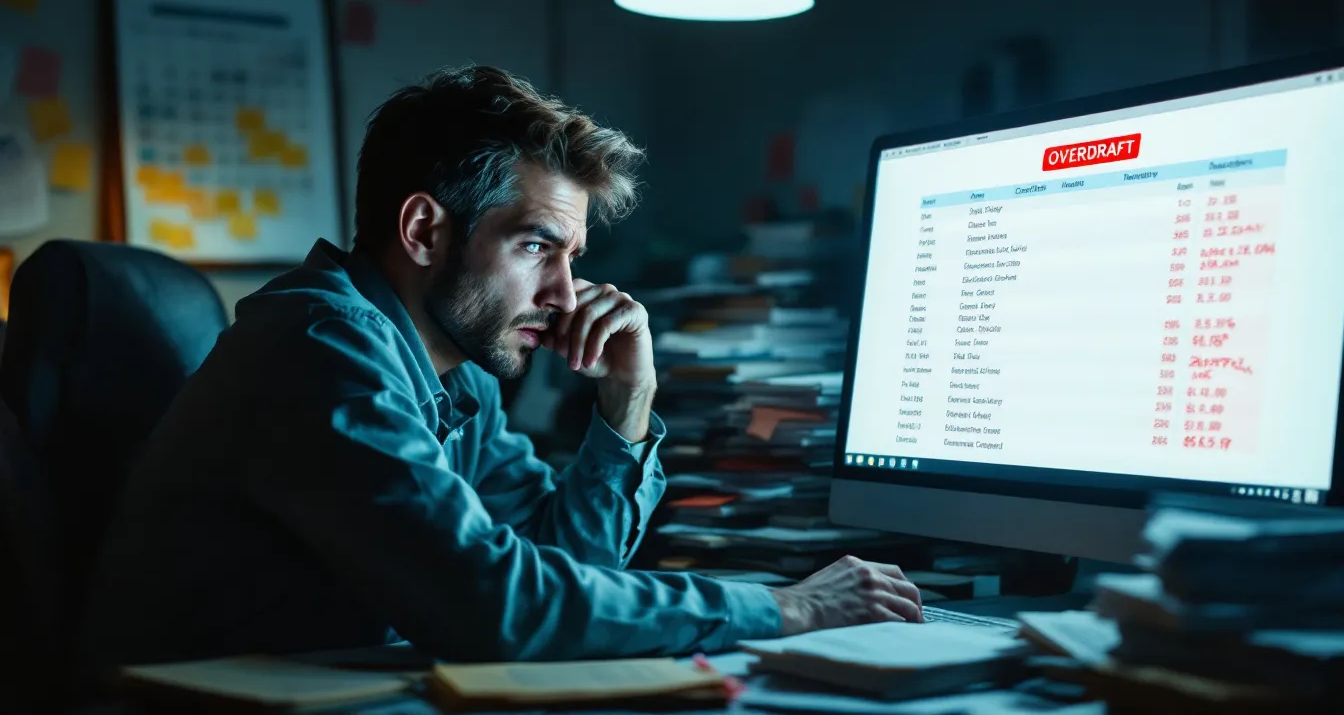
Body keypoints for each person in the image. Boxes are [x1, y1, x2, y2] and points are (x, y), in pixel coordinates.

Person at [82, 65, 922, 669]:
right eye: (534, 247)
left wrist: (626, 406)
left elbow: (569, 577)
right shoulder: (321, 347)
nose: (565, 294)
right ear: (422, 231)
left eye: (574, 256)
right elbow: (497, 605)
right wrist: (789, 607)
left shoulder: (460, 375)